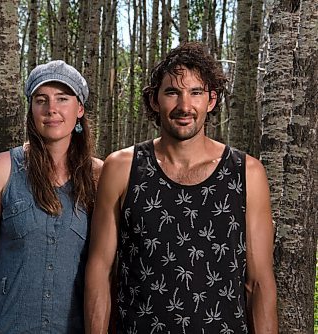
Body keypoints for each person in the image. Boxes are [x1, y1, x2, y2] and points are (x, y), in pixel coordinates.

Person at [84, 42, 278, 333]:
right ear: (154, 100)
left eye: (196, 92)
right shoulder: (122, 167)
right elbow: (100, 271)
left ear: (211, 101)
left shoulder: (246, 172)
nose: (184, 106)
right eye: (173, 92)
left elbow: (259, 283)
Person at [0, 60, 103, 333]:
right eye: (41, 100)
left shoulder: (100, 176)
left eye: (62, 99)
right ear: (31, 109)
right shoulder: (4, 168)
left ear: (80, 109)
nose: (51, 109)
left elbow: (110, 268)